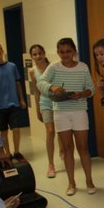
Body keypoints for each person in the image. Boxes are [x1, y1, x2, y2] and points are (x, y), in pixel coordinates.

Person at [37, 38, 96, 196]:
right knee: (68, 148)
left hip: (79, 111)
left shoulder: (83, 67)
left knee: (83, 148)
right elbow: (40, 82)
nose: (65, 55)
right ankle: (71, 182)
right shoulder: (53, 67)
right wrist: (52, 87)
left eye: (68, 51)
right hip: (60, 112)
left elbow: (91, 88)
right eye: (62, 52)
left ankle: (89, 180)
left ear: (74, 51)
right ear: (58, 53)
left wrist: (82, 94)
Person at [29, 44, 63, 178]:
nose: (38, 56)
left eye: (40, 53)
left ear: (44, 53)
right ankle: (51, 164)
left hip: (57, 101)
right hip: (44, 103)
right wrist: (37, 108)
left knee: (61, 129)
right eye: (35, 54)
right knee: (50, 131)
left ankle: (62, 150)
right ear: (32, 57)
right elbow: (36, 91)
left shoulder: (53, 67)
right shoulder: (32, 71)